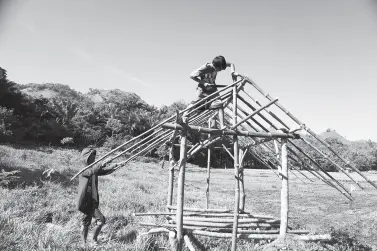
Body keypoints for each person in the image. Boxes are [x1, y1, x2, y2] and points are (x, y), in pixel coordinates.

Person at [76, 147, 117, 246]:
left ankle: (94, 239)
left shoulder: (93, 169)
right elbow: (92, 171)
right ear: (86, 158)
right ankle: (84, 243)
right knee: (86, 222)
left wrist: (115, 166)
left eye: (94, 156)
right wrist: (103, 162)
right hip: (85, 202)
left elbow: (103, 171)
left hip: (93, 201)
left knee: (101, 220)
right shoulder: (84, 169)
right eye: (91, 157)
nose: (94, 159)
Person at [182, 55, 237, 125]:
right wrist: (203, 83)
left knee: (220, 104)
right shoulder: (205, 68)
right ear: (216, 66)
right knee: (195, 103)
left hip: (212, 89)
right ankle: (184, 116)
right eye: (220, 69)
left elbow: (231, 64)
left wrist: (232, 72)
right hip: (202, 89)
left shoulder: (219, 64)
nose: (220, 71)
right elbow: (192, 75)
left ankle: (222, 125)